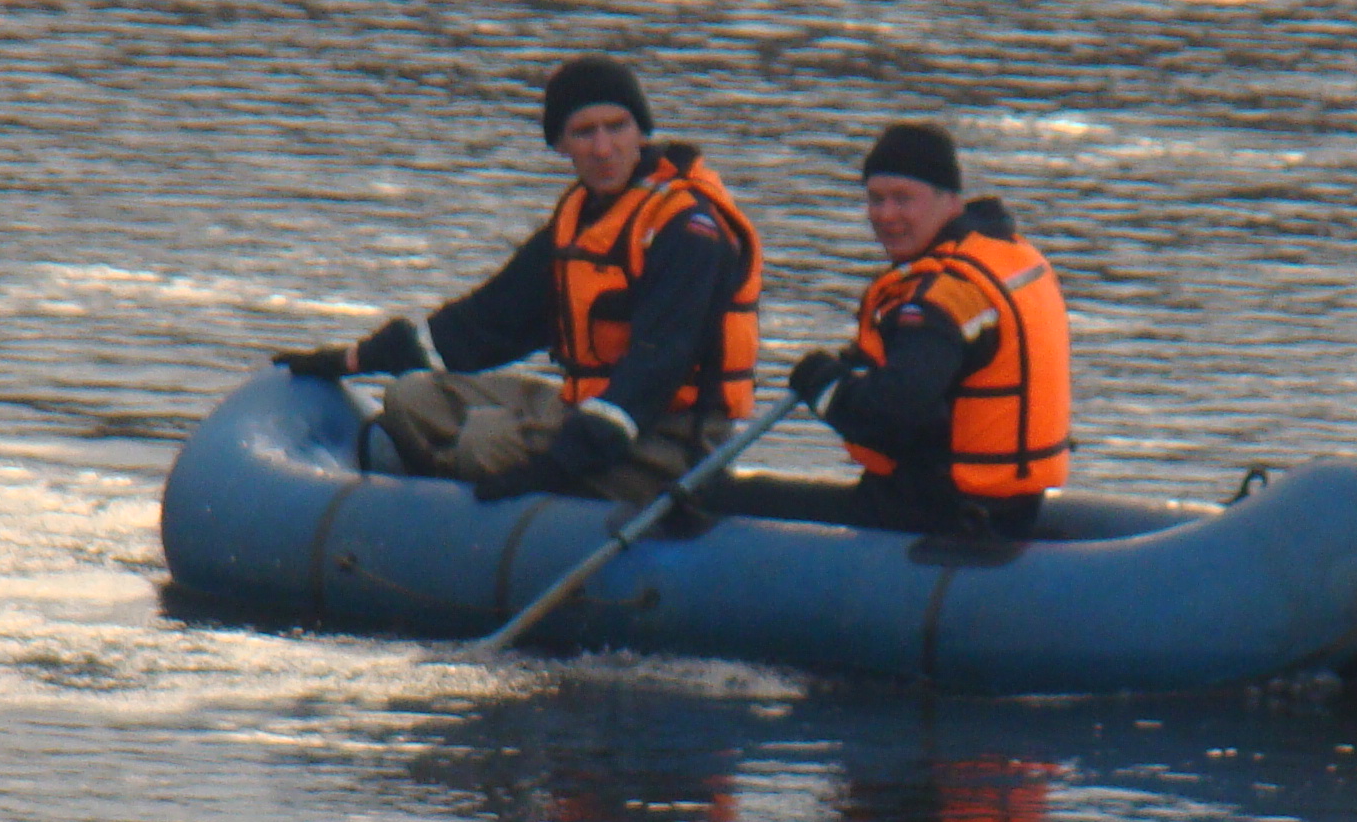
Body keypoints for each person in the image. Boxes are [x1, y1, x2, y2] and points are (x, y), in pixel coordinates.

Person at [276, 55, 762, 504]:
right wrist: (350, 359)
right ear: (559, 143)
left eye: (617, 127)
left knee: (486, 441)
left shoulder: (687, 230)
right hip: (585, 409)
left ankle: (447, 495)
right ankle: (448, 474)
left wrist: (559, 463)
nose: (603, 148)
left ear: (641, 131)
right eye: (583, 132)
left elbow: (659, 366)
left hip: (669, 439)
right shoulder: (579, 219)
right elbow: (484, 323)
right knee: (411, 396)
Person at [784, 123, 1070, 537]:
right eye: (875, 199)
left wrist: (823, 385)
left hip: (935, 511)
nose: (886, 215)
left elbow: (891, 412)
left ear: (949, 200)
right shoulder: (1007, 254)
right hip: (1009, 505)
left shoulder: (940, 296)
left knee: (738, 499)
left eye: (903, 199)